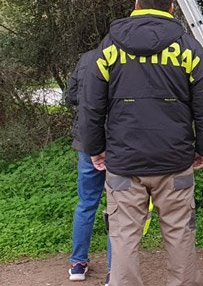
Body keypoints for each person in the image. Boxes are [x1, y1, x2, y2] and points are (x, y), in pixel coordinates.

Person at [81, 0, 203, 286]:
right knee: (180, 234)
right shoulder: (188, 48)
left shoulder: (109, 48)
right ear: (171, 8)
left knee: (124, 237)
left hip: (124, 161)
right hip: (175, 160)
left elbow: (91, 104)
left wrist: (95, 148)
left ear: (136, 5)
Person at [66, 50, 112, 283]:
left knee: (86, 203)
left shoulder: (85, 58)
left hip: (86, 140)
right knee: (118, 206)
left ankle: (78, 263)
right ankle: (116, 270)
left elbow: (70, 97)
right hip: (118, 141)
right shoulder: (125, 57)